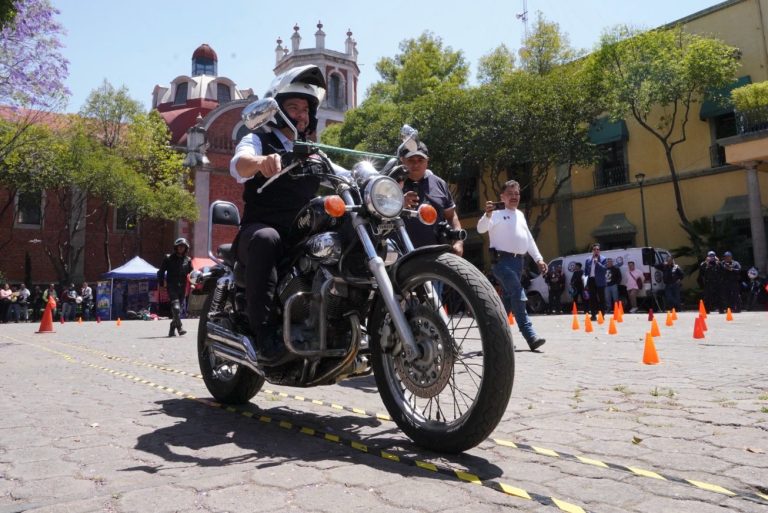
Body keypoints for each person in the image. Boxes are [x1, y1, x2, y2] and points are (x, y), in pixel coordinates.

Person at [229, 65, 326, 364]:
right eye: (294, 106)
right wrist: (261, 161)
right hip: (260, 231)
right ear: (278, 110)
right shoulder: (258, 138)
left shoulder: (314, 153)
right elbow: (239, 165)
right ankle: (263, 331)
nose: (301, 114)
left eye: (306, 109)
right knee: (267, 239)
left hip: (300, 235)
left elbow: (344, 174)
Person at [477, 180, 547, 351]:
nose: (514, 197)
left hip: (518, 263)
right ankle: (530, 336)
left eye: (517, 193)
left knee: (506, 303)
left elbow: (529, 239)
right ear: (502, 197)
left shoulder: (521, 215)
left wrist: (539, 259)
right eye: (510, 194)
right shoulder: (496, 214)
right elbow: (480, 228)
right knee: (517, 292)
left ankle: (494, 339)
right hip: (502, 263)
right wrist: (486, 214)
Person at [399, 141, 464, 256]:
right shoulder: (389, 184)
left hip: (437, 256)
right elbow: (377, 218)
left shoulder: (439, 183)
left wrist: (458, 242)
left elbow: (451, 215)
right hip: (401, 256)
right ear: (402, 160)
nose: (416, 164)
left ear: (427, 161)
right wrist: (398, 204)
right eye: (411, 160)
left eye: (420, 160)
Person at [158, 238, 193, 336]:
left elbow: (192, 273)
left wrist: (194, 283)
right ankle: (180, 327)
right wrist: (161, 284)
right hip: (171, 286)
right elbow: (160, 272)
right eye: (179, 246)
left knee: (177, 310)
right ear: (176, 247)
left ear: (186, 248)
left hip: (182, 287)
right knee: (176, 308)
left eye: (183, 247)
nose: (181, 248)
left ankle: (171, 330)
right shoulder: (168, 258)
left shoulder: (188, 260)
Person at [584, 243, 607, 320]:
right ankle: (593, 315)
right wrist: (584, 277)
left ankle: (602, 315)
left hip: (600, 281)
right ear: (592, 251)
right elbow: (586, 271)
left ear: (599, 251)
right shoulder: (588, 260)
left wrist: (597, 263)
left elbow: (604, 270)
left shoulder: (603, 259)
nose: (596, 251)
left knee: (601, 298)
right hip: (591, 280)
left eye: (598, 249)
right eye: (594, 249)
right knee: (592, 299)